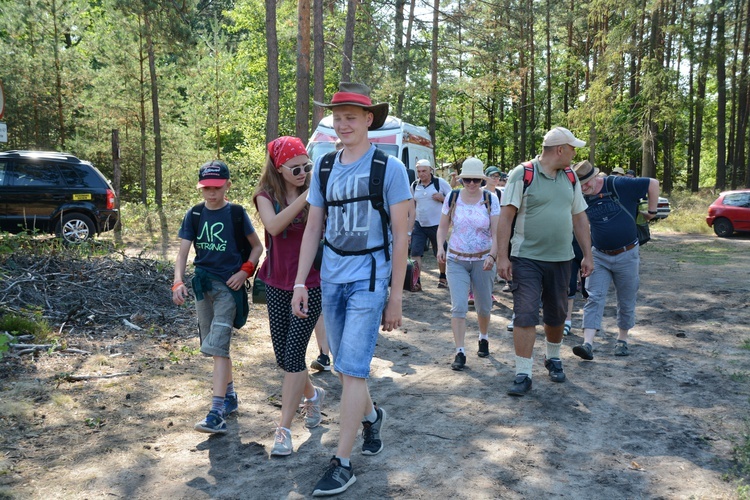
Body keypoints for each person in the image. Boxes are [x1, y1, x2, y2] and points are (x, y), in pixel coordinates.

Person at [291, 82, 411, 497]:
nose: (343, 124)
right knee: (345, 366)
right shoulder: (323, 166)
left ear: (368, 120)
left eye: (351, 117)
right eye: (337, 117)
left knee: (354, 369)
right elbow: (312, 229)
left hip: (370, 280)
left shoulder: (389, 169)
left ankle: (342, 463)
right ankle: (372, 416)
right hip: (332, 278)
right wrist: (301, 281)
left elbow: (401, 237)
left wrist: (395, 297)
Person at [496, 126, 593, 397]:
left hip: (562, 259)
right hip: (526, 258)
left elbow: (579, 218)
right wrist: (502, 256)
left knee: (557, 314)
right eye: (572, 148)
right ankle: (523, 373)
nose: (575, 153)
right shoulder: (523, 173)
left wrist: (587, 253)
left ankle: (553, 358)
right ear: (560, 150)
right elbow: (505, 217)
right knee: (525, 313)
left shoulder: (571, 176)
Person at [172, 160, 263, 433]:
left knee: (218, 346)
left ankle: (216, 412)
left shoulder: (236, 213)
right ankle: (230, 396)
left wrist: (245, 271)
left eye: (217, 188)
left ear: (228, 186)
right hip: (203, 287)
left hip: (229, 290)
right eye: (206, 188)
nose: (211, 193)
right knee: (217, 349)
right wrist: (177, 281)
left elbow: (257, 248)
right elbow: (182, 252)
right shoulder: (195, 214)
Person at [253, 136, 326, 456]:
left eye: (307, 167)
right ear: (278, 168)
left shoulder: (317, 194)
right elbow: (274, 225)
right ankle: (312, 396)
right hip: (276, 280)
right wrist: (309, 194)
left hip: (311, 282)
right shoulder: (265, 195)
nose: (303, 172)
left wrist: (314, 193)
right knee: (284, 359)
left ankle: (283, 429)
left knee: (295, 356)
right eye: (295, 168)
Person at [570, 160, 660, 361]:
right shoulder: (580, 196)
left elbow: (653, 183)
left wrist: (652, 212)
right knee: (593, 297)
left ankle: (622, 340)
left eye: (587, 183)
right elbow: (580, 225)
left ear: (596, 176)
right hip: (599, 255)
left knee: (626, 297)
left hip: (627, 253)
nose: (585, 188)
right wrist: (587, 255)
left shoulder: (617, 184)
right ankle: (588, 344)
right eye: (580, 185)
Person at [437, 158, 499, 370]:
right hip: (456, 260)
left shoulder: (490, 198)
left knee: (483, 306)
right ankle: (460, 351)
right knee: (459, 306)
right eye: (467, 180)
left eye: (476, 180)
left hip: (483, 260)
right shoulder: (452, 197)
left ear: (482, 181)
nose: (472, 184)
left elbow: (497, 232)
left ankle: (483, 337)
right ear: (461, 180)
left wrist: (493, 255)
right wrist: (439, 247)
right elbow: (443, 226)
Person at [410, 158, 452, 288]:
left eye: (424, 171)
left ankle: (443, 277)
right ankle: (416, 281)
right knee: (415, 253)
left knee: (440, 252)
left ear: (430, 171)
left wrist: (442, 198)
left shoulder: (440, 183)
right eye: (419, 171)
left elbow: (455, 201)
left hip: (437, 224)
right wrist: (409, 225)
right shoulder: (414, 185)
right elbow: (412, 205)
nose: (421, 174)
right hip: (419, 224)